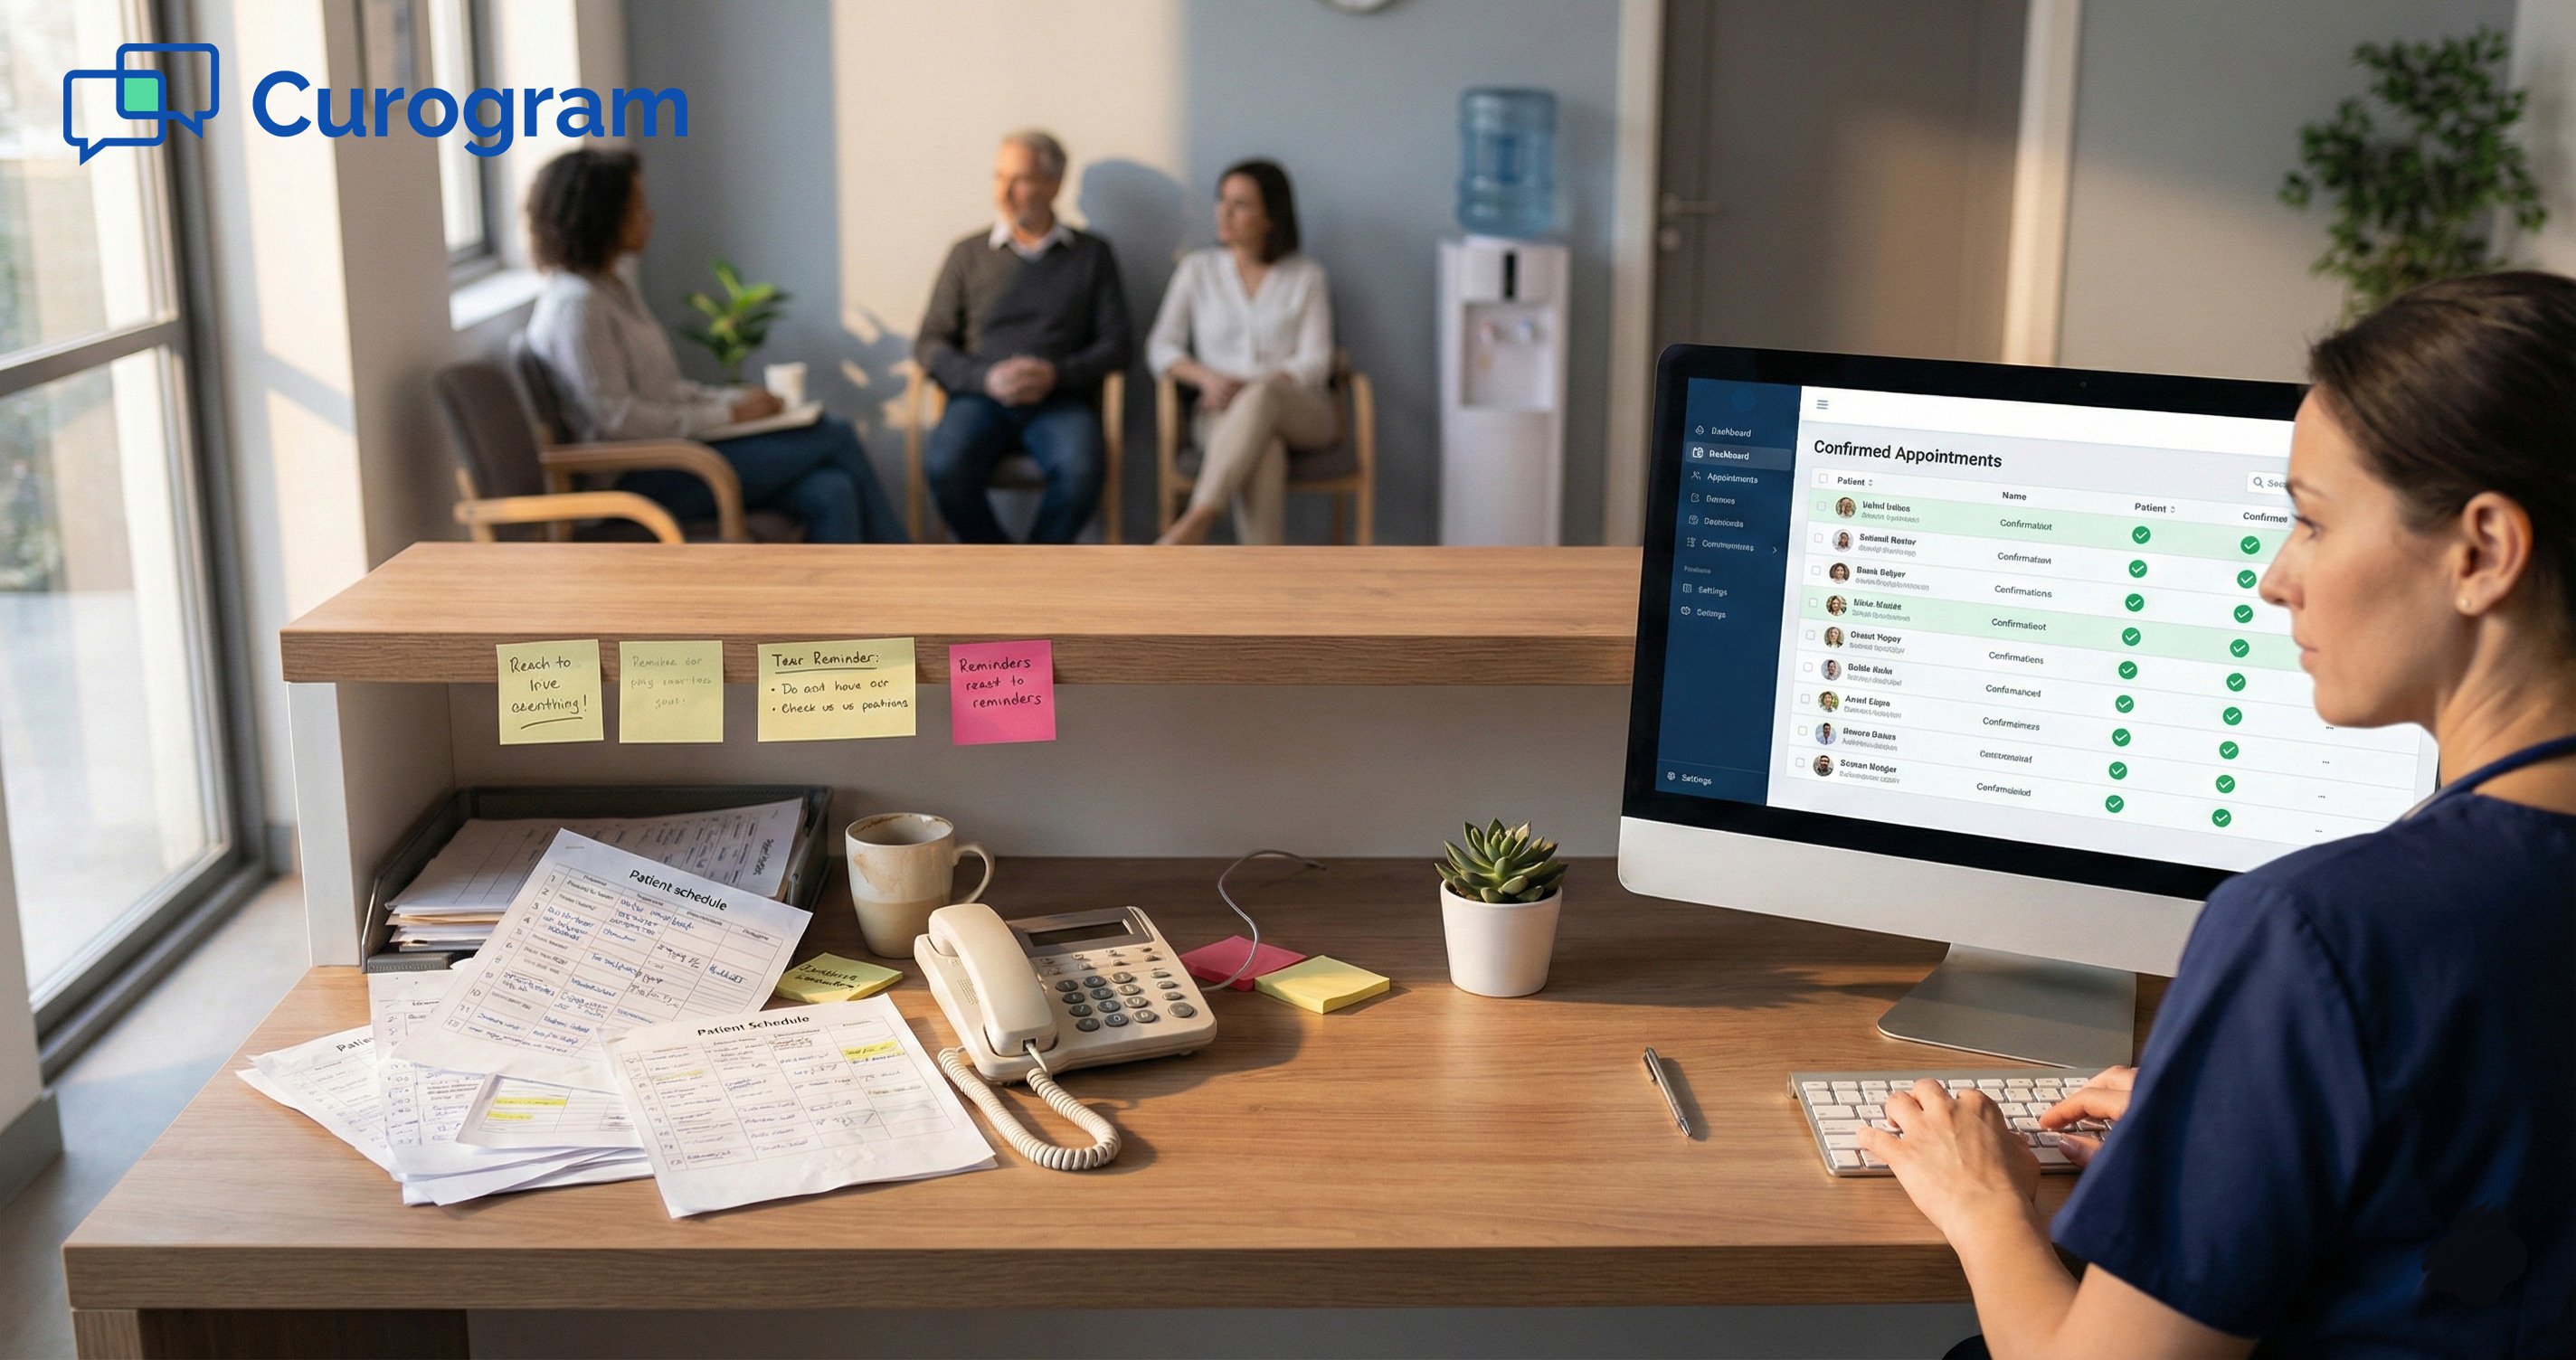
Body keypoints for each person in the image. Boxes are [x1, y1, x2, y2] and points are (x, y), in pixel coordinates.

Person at [1861, 272, 2576, 1357]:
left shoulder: (2318, 935)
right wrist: (2235, 1117)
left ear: (2480, 550)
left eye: (2311, 522)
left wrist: (1984, 1204)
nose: (2275, 582)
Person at [519, 148, 904, 543]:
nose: (649, 217)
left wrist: (736, 402)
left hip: (676, 456)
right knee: (833, 432)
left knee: (830, 490)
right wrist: (729, 415)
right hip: (640, 475)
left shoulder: (612, 290)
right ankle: (905, 570)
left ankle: (835, 604)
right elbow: (617, 420)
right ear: (601, 217)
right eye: (636, 208)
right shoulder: (576, 307)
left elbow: (664, 390)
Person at [915, 130, 1133, 543]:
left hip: (1060, 401)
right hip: (979, 398)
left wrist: (1056, 375)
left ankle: (1037, 569)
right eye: (999, 177)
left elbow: (1117, 346)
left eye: (1020, 179)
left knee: (1082, 469)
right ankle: (1001, 567)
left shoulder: (1091, 255)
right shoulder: (968, 254)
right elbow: (929, 343)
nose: (1005, 192)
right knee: (945, 465)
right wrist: (984, 379)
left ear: (1053, 185)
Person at [1147, 159, 1335, 545]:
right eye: (1222, 201)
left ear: (1270, 217)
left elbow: (1317, 360)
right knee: (1265, 450)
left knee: (1262, 395)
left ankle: (1197, 517)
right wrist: (1206, 378)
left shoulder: (1306, 276)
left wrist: (1253, 384)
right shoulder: (1197, 270)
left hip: (1301, 410)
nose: (1224, 213)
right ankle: (1264, 585)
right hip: (1220, 411)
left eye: (1241, 204)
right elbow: (1161, 346)